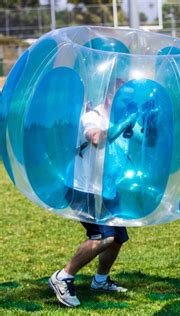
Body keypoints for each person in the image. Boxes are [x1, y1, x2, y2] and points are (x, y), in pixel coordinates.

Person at [48, 81, 136, 308]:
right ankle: (63, 277)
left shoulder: (118, 119)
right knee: (102, 237)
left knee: (117, 238)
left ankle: (100, 280)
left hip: (105, 189)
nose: (127, 104)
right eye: (123, 99)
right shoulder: (92, 116)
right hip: (83, 188)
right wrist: (123, 124)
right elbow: (96, 139)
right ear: (109, 98)